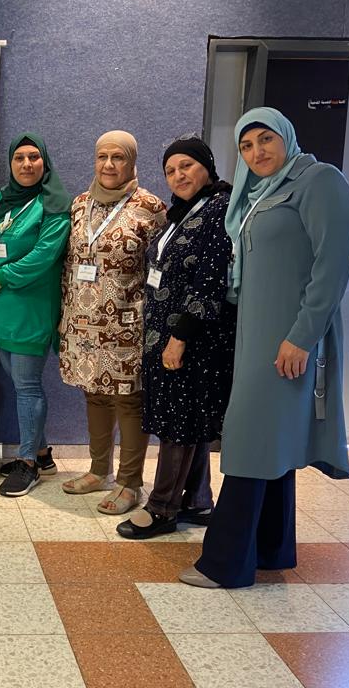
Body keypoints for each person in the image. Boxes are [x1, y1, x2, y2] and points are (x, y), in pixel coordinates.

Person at [180, 107, 349, 589]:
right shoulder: (260, 193)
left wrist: (302, 336)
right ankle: (271, 549)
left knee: (249, 438)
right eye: (246, 145)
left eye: (265, 139)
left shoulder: (319, 181)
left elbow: (332, 268)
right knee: (271, 440)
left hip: (289, 338)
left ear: (286, 137)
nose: (256, 152)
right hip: (256, 336)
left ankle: (225, 564)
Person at [116, 136, 235, 539]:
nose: (178, 175)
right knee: (187, 419)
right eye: (170, 170)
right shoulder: (180, 213)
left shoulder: (219, 209)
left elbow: (209, 281)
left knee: (178, 424)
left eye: (187, 166)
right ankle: (198, 500)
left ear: (207, 166)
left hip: (192, 337)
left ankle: (162, 507)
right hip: (164, 334)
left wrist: (180, 337)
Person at [58, 130, 166, 514]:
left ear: (131, 162)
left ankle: (130, 483)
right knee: (94, 394)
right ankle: (98, 470)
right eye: (102, 156)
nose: (108, 164)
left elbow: (162, 270)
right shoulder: (80, 204)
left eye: (117, 157)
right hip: (82, 322)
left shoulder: (150, 207)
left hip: (126, 323)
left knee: (129, 401)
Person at [0, 133, 72, 497]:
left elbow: (45, 254)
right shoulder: (2, 199)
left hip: (30, 307)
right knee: (19, 382)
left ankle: (27, 464)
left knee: (27, 386)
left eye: (34, 157)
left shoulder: (54, 204)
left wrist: (3, 276)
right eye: (19, 158)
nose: (26, 164)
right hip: (0, 307)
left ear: (44, 162)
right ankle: (41, 453)